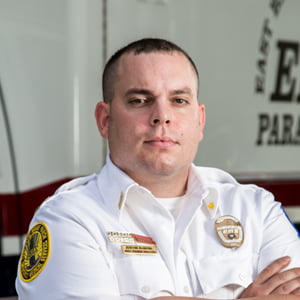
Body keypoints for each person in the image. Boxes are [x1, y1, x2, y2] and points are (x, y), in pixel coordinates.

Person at [16, 38, 300, 300]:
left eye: (179, 100)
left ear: (199, 121)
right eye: (140, 100)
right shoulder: (69, 219)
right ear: (105, 120)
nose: (162, 116)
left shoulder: (256, 210)